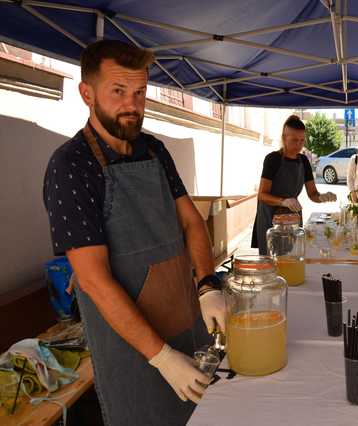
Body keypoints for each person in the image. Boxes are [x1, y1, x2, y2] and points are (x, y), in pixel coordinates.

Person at [42, 40, 224, 425]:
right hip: (132, 349)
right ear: (87, 94)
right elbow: (92, 279)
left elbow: (192, 222)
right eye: (119, 91)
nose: (133, 104)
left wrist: (208, 285)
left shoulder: (154, 151)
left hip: (187, 325)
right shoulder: (71, 167)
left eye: (140, 92)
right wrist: (162, 357)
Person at [252, 115, 337, 254]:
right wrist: (283, 201)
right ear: (284, 138)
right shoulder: (273, 159)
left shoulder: (303, 161)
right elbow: (262, 195)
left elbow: (312, 194)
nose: (299, 145)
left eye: (302, 140)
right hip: (270, 217)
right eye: (294, 140)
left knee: (293, 256)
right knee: (272, 261)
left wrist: (322, 197)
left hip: (293, 216)